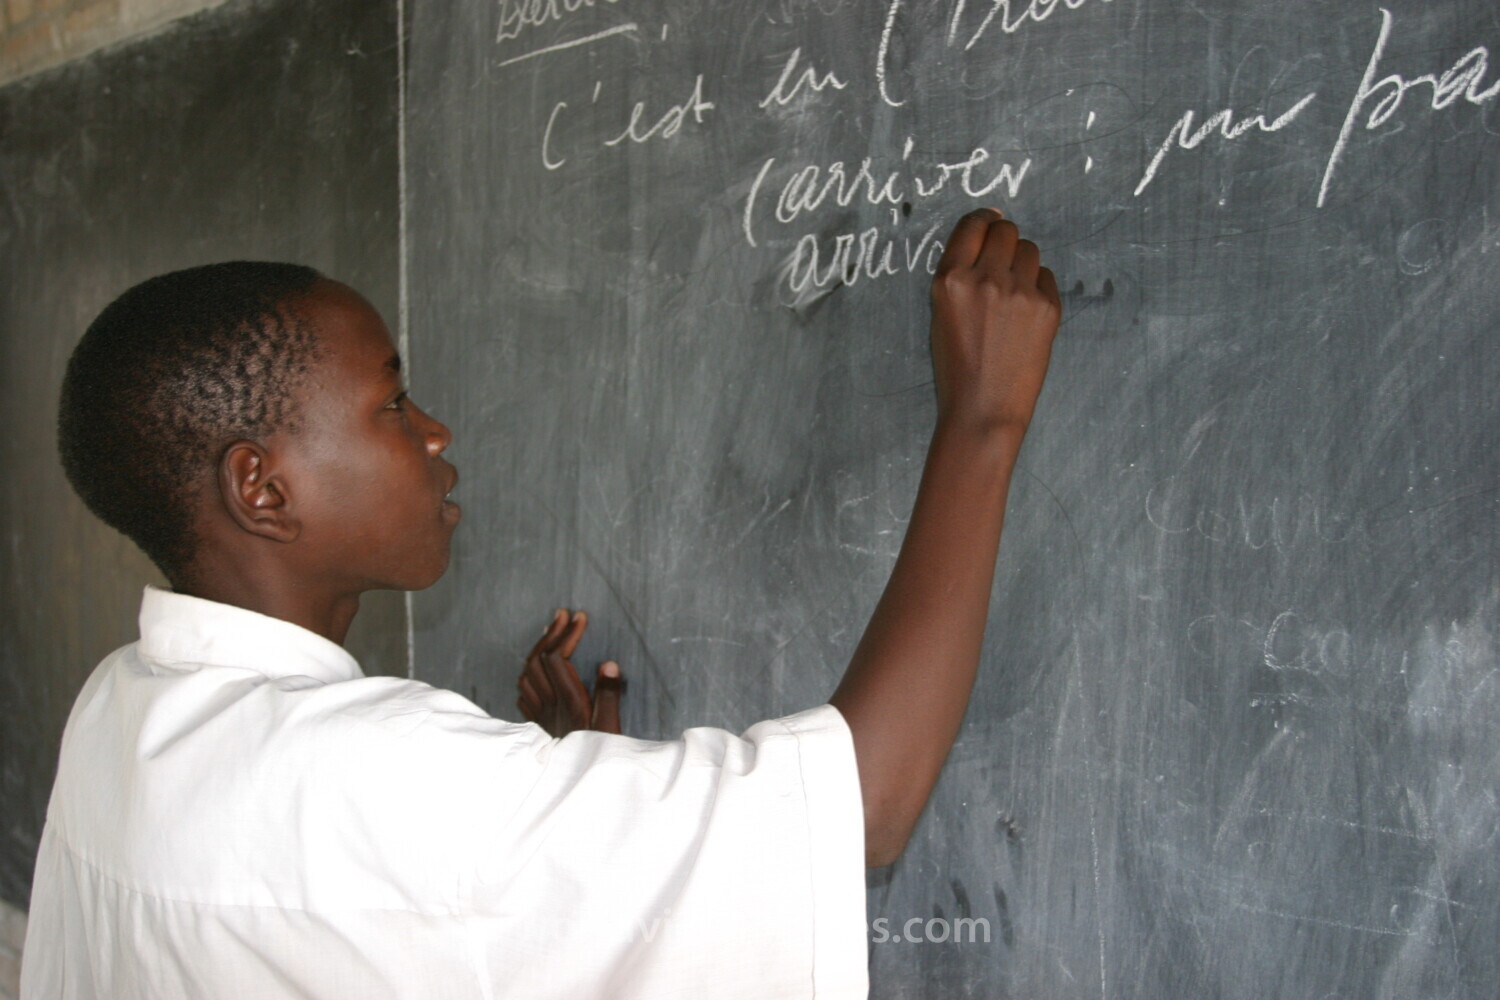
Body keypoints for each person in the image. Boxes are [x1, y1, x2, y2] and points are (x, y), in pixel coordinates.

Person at [21, 208, 1059, 999]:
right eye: (389, 401)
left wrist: (559, 810)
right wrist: (983, 423)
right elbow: (861, 809)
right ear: (262, 487)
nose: (434, 431)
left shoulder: (119, 713)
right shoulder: (382, 778)